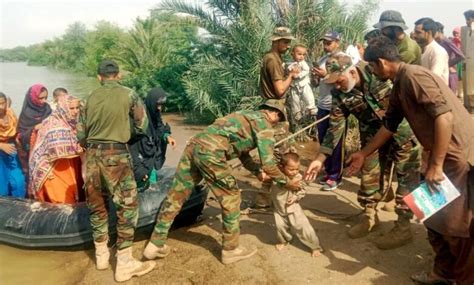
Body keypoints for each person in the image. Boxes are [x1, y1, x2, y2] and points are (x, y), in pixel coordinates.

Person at [347, 36, 474, 285]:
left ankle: (462, 278)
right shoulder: (399, 85)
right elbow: (389, 126)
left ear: (382, 63)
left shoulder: (415, 76)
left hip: (455, 157)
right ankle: (443, 273)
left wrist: (436, 165)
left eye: (372, 66)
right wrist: (364, 153)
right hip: (441, 157)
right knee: (428, 212)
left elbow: (444, 117)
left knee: (455, 225)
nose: (371, 71)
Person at [142, 99, 302, 265]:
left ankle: (155, 244)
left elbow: (243, 152)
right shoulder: (264, 125)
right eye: (278, 120)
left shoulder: (243, 116)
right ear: (275, 114)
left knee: (177, 195)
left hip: (194, 146)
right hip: (212, 153)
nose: (277, 124)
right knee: (231, 197)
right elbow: (269, 164)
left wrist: (256, 171)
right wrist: (287, 182)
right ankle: (231, 250)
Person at [304, 53, 421, 248]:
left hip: (403, 134)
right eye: (332, 83)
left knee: (408, 180)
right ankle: (369, 217)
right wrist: (320, 158)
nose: (337, 86)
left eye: (339, 81)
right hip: (372, 140)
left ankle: (403, 227)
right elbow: (334, 129)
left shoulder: (379, 73)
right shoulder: (339, 94)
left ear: (351, 71)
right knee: (369, 176)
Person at [76, 59, 155, 282]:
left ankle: (101, 256)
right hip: (117, 155)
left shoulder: (87, 99)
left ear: (99, 77)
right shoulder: (129, 94)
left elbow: (80, 135)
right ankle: (124, 264)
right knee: (127, 207)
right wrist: (126, 135)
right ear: (117, 75)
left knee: (97, 205)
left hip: (92, 157)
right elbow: (142, 125)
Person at [256, 26, 299, 208]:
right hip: (274, 108)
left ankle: (267, 194)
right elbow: (280, 90)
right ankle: (266, 195)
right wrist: (292, 75)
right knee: (280, 152)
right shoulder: (272, 60)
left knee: (276, 150)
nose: (288, 45)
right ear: (276, 41)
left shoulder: (274, 58)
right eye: (285, 41)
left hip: (273, 107)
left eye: (289, 42)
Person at [29, 95, 83, 204]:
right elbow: (58, 149)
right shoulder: (54, 124)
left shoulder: (71, 122)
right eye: (72, 108)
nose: (76, 111)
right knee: (62, 200)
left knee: (71, 196)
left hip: (67, 166)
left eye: (77, 108)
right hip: (53, 169)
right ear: (63, 108)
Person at [271, 152, 323, 257]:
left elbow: (302, 189)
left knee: (303, 227)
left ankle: (315, 246)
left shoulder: (298, 177)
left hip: (292, 207)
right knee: (280, 226)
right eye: (291, 169)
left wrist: (295, 197)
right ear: (281, 167)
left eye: (297, 169)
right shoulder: (275, 176)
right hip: (278, 207)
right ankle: (284, 240)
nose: (295, 172)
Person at [311, 31, 345, 191]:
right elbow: (316, 83)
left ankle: (335, 176)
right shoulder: (322, 59)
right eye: (324, 42)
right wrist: (316, 76)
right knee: (324, 139)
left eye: (329, 43)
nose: (326, 46)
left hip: (336, 106)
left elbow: (344, 80)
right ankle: (328, 171)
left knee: (335, 142)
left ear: (337, 42)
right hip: (322, 105)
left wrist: (326, 74)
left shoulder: (343, 58)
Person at [129, 87, 176, 190]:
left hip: (151, 156)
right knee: (139, 184)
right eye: (157, 105)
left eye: (161, 105)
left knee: (151, 185)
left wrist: (167, 137)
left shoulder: (155, 114)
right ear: (151, 102)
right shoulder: (140, 115)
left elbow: (160, 129)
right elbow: (132, 143)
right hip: (140, 156)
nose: (159, 108)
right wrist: (138, 170)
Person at [17, 84, 51, 176]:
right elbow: (21, 135)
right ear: (33, 98)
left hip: (47, 149)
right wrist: (34, 128)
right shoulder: (27, 113)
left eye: (46, 97)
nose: (44, 101)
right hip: (31, 150)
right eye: (40, 98)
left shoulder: (48, 108)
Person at [0, 92, 26, 198]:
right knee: (2, 186)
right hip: (1, 151)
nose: (1, 107)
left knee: (19, 181)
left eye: (3, 103)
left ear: (6, 103)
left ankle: (19, 208)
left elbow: (16, 132)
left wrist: (20, 148)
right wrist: (1, 145)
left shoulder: (10, 114)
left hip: (12, 152)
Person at [413, 18, 450, 85]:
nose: (414, 35)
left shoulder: (438, 51)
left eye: (418, 32)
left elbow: (434, 78)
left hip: (436, 93)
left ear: (429, 33)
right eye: (415, 32)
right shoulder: (421, 49)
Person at [286, 44, 317, 124]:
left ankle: (312, 109)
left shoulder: (303, 63)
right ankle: (297, 114)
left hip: (303, 84)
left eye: (303, 55)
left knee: (308, 96)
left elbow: (306, 70)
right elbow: (287, 70)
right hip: (294, 86)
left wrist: (298, 75)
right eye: (299, 54)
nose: (301, 57)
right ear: (292, 53)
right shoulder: (290, 63)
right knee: (294, 100)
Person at [434, 22, 465, 94]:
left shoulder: (447, 42)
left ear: (438, 31)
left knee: (450, 97)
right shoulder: (437, 42)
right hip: (441, 73)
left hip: (450, 74)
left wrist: (447, 64)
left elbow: (461, 56)